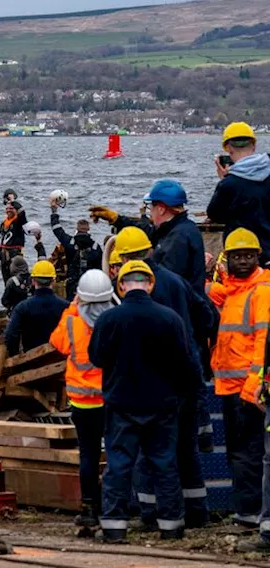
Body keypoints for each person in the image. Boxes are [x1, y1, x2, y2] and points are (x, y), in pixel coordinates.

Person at [91, 261, 203, 543]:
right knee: (165, 465)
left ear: (121, 286)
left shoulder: (109, 319)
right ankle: (171, 526)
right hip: (162, 405)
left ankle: (114, 527)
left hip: (121, 404)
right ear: (151, 284)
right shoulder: (170, 319)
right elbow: (186, 364)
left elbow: (96, 357)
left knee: (118, 466)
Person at [114, 226, 213, 528]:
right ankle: (197, 513)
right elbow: (208, 315)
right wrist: (198, 348)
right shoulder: (176, 281)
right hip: (188, 375)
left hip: (157, 384)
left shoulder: (138, 292)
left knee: (152, 451)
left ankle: (151, 514)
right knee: (187, 449)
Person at [208, 229, 270, 527]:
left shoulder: (262, 291)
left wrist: (255, 383)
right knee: (238, 452)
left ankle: (250, 513)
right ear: (227, 259)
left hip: (248, 389)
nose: (243, 261)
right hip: (230, 387)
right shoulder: (236, 291)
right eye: (237, 256)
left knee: (249, 454)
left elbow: (263, 340)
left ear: (258, 257)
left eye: (248, 256)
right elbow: (225, 295)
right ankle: (247, 510)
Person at [50, 269, 115, 533]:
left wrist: (71, 309)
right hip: (110, 398)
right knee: (115, 453)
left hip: (82, 402)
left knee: (88, 455)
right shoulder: (113, 320)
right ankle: (114, 506)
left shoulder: (72, 322)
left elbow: (57, 342)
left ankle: (89, 508)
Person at [90, 180, 206, 295]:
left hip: (180, 305)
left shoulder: (179, 237)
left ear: (161, 209)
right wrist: (117, 220)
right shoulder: (176, 229)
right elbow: (148, 233)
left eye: (151, 209)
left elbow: (166, 279)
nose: (150, 214)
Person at [208, 121, 270, 266]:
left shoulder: (229, 184)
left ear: (228, 149)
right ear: (253, 146)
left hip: (245, 256)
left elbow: (215, 214)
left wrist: (223, 180)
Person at [3, 260, 68, 356]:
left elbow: (10, 336)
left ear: (33, 281)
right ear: (53, 281)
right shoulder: (66, 307)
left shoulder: (22, 308)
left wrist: (15, 356)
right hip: (59, 359)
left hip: (31, 361)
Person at [52, 204, 103, 301]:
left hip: (72, 285)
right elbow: (100, 269)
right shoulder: (96, 248)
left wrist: (54, 212)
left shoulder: (70, 243)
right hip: (90, 286)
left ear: (77, 230)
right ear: (88, 231)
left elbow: (57, 229)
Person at [0, 197, 28, 283]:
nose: (9, 210)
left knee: (16, 280)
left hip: (15, 255)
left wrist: (13, 202)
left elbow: (22, 213)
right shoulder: (3, 224)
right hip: (4, 256)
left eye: (11, 208)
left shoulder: (18, 222)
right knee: (6, 280)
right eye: (7, 209)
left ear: (15, 209)